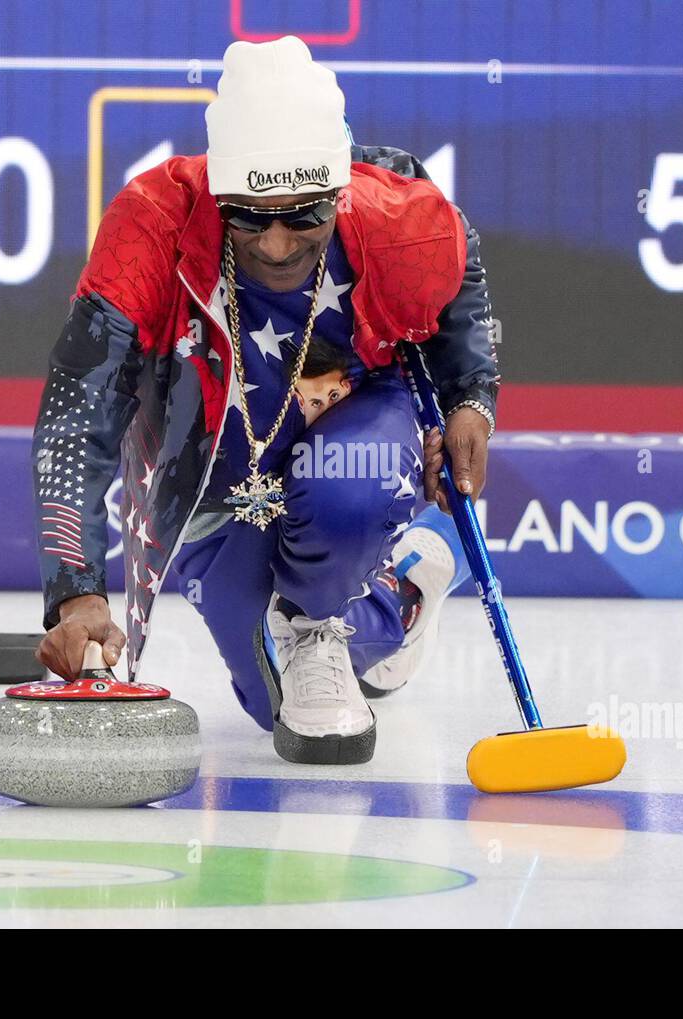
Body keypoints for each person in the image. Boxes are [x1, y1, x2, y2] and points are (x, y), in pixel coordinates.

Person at [33, 35, 496, 765]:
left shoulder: (398, 217)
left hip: (336, 396)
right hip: (216, 460)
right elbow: (77, 409)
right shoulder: (149, 226)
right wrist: (75, 587)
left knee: (351, 490)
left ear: (340, 191)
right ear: (217, 186)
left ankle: (323, 611)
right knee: (267, 698)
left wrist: (470, 401)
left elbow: (457, 278)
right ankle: (399, 597)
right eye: (248, 215)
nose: (277, 244)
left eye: (304, 215)